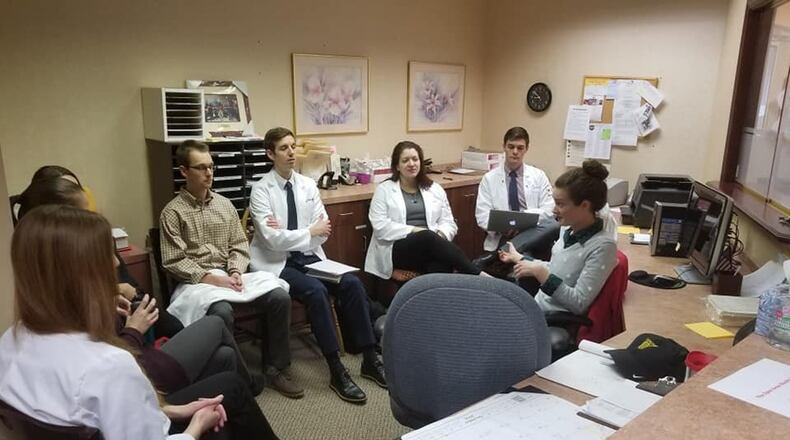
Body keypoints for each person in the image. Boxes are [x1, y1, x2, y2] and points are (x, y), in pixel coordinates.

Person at [0, 205, 242, 440]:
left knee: (225, 362)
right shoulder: (111, 368)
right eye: (106, 254)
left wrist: (171, 410)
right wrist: (196, 427)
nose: (116, 264)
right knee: (229, 391)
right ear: (81, 275)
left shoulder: (10, 340)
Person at [15, 176, 268, 395]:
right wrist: (134, 329)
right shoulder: (66, 299)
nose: (114, 263)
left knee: (226, 357)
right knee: (216, 323)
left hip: (136, 359)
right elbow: (113, 367)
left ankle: (240, 392)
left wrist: (113, 295)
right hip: (136, 370)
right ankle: (247, 386)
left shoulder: (54, 285)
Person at [249, 127, 386, 404]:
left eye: (293, 146)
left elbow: (324, 230)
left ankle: (370, 357)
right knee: (315, 291)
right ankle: (336, 368)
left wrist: (299, 234)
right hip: (278, 263)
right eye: (284, 148)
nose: (291, 153)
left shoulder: (308, 185)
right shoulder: (261, 190)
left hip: (310, 257)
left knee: (351, 283)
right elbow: (272, 241)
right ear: (269, 154)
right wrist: (307, 232)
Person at [159, 140, 300, 399]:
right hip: (196, 282)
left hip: (230, 276)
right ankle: (239, 375)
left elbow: (238, 245)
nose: (209, 173)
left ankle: (276, 368)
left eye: (211, 167)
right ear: (184, 172)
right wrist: (213, 279)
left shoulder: (225, 205)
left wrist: (235, 271)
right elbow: (174, 261)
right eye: (201, 168)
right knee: (220, 312)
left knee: (279, 297)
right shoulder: (172, 213)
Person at [498, 160, 618, 315]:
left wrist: (541, 273)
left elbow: (578, 303)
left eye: (560, 204)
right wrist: (519, 258)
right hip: (536, 307)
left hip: (550, 317)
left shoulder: (603, 246)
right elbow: (557, 269)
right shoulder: (568, 231)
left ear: (585, 205)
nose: (554, 210)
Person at [366, 141, 486, 279]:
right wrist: (416, 230)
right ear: (397, 166)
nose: (411, 164)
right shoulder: (384, 190)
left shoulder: (434, 189)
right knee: (427, 237)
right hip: (397, 248)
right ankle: (478, 275)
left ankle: (441, 297)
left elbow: (449, 223)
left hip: (431, 246)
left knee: (440, 266)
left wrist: (439, 237)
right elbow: (380, 227)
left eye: (415, 159)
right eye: (405, 160)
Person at [475, 127, 559, 263]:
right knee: (527, 256)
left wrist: (523, 220)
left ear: (526, 149)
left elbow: (550, 210)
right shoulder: (489, 178)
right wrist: (505, 227)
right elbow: (482, 216)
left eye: (520, 148)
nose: (515, 152)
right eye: (511, 147)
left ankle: (495, 257)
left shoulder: (538, 176)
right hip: (502, 236)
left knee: (553, 226)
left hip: (534, 233)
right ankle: (507, 255)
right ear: (504, 147)